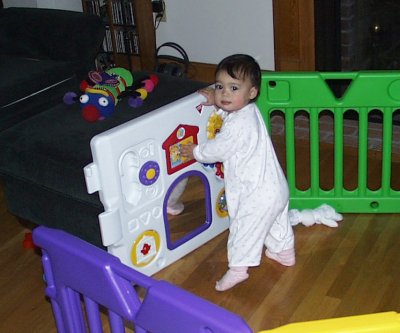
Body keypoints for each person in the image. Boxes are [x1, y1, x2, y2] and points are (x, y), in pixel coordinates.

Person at [180, 54, 295, 291]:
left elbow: (220, 148)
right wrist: (215, 102)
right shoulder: (250, 112)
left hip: (256, 194)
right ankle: (285, 252)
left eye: (233, 88)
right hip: (276, 187)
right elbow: (231, 114)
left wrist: (196, 151)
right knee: (276, 221)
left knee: (244, 229)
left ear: (252, 92)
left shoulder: (238, 124)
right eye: (220, 87)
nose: (224, 94)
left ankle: (238, 269)